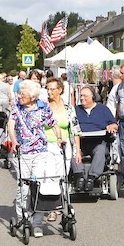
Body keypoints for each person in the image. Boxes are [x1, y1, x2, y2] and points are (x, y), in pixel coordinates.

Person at [7, 79, 59, 238]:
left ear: (32, 96)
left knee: (37, 185)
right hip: (23, 152)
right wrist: (14, 141)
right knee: (23, 187)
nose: (20, 96)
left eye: (23, 94)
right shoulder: (17, 106)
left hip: (40, 152)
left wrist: (59, 138)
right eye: (20, 93)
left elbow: (53, 123)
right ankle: (23, 218)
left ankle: (37, 222)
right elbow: (10, 124)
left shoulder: (43, 106)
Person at [44, 77, 82, 220]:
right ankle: (51, 207)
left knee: (61, 176)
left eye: (52, 89)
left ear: (59, 90)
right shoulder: (44, 107)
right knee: (49, 176)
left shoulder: (68, 108)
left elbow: (76, 130)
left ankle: (58, 206)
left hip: (64, 145)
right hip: (47, 145)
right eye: (47, 89)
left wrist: (77, 150)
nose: (49, 92)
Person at [73, 85, 117, 187]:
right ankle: (79, 176)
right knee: (73, 151)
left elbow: (114, 124)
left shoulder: (103, 109)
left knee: (100, 149)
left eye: (85, 96)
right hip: (81, 142)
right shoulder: (75, 110)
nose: (82, 98)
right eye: (81, 96)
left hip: (97, 142)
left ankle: (92, 177)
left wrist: (112, 126)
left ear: (93, 97)